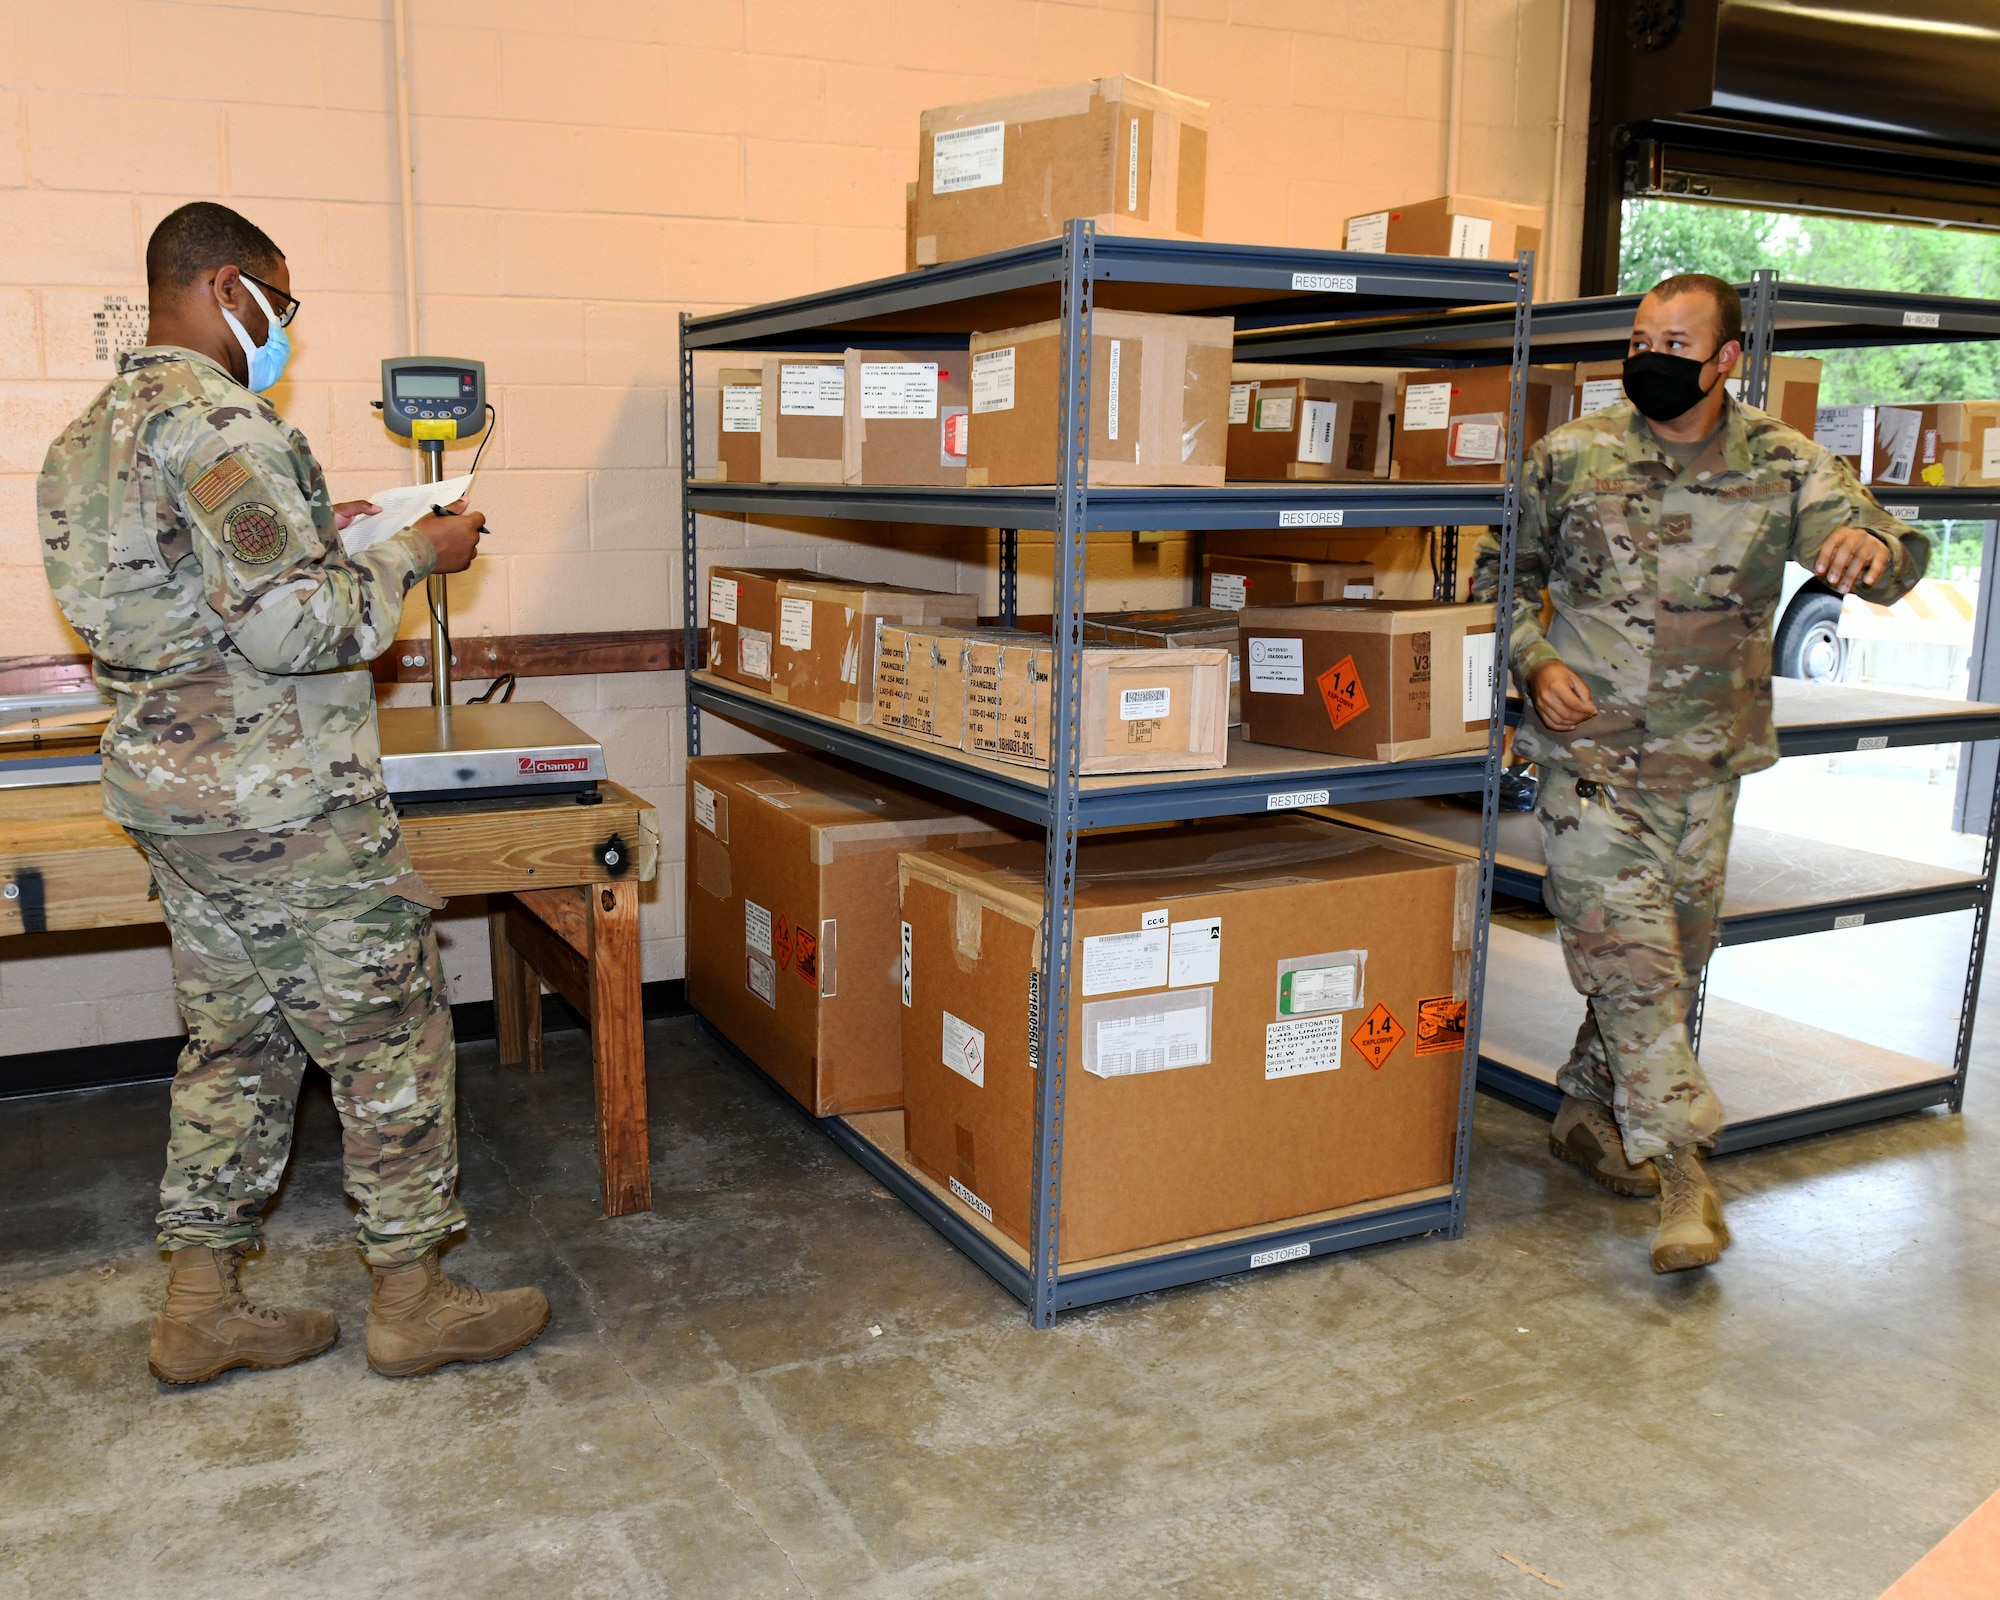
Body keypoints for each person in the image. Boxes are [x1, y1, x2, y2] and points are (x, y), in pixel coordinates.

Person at [38, 201, 551, 1381]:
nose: (283, 326)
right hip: (282, 808)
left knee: (237, 1039)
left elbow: (186, 590)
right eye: (281, 298)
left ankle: (199, 1305)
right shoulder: (222, 424)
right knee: (390, 1034)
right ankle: (414, 1300)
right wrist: (415, 555)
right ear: (229, 287)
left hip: (173, 798)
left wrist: (334, 534)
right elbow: (300, 625)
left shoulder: (90, 435)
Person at [1472, 272, 1927, 1274]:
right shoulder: (1570, 456)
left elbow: (1891, 553)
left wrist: (1868, 545)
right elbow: (1498, 580)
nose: (1652, 356)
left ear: (1725, 360)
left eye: (1676, 343)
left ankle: (1586, 1112)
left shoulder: (1783, 461)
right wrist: (1534, 661)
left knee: (1667, 964)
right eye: (1640, 337)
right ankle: (1682, 1170)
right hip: (1583, 757)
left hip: (1705, 762)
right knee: (1632, 961)